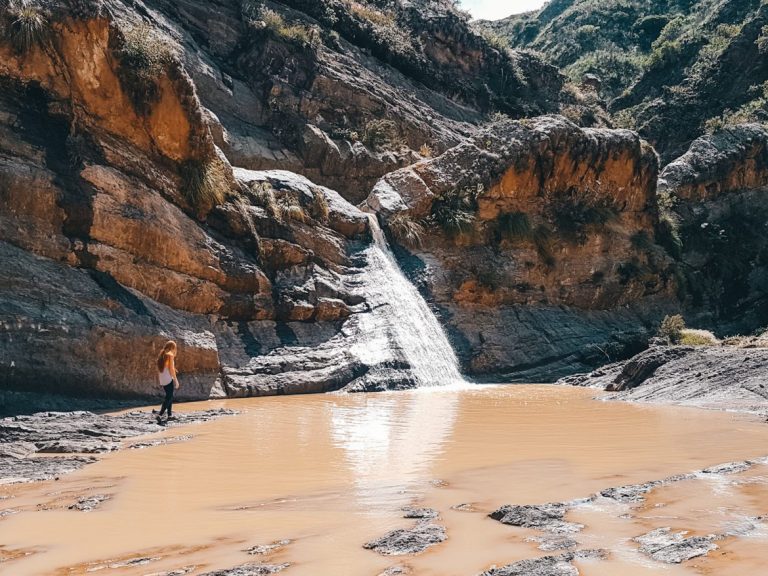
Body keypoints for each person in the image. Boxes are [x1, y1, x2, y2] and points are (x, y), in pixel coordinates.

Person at [156, 341, 180, 424]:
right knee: (169, 397)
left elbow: (165, 367)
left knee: (170, 396)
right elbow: (171, 369)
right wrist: (176, 380)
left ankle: (169, 415)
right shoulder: (170, 354)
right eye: (175, 348)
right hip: (168, 378)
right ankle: (160, 414)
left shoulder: (162, 354)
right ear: (173, 348)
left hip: (162, 378)